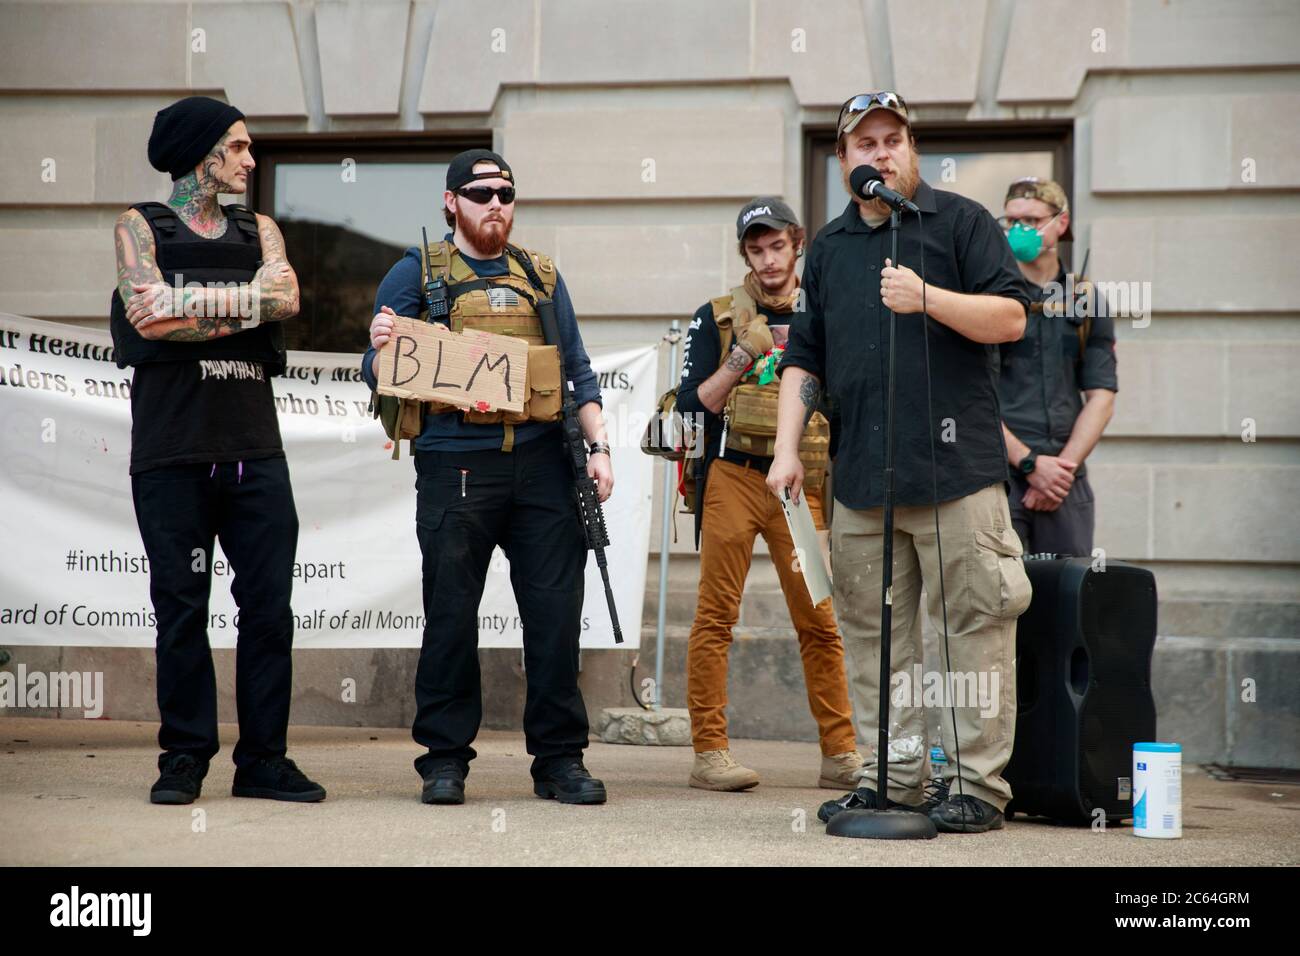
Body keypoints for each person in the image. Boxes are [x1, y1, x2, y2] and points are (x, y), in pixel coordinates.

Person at [768, 92, 1034, 834]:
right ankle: (894, 777)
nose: (879, 155)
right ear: (842, 160)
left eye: (892, 141)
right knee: (875, 640)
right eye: (864, 145)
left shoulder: (961, 223)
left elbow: (1012, 317)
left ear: (911, 149)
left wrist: (928, 298)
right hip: (861, 481)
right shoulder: (826, 248)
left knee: (971, 632)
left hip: (958, 475)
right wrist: (787, 449)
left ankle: (978, 788)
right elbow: (804, 357)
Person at [362, 149, 613, 806]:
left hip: (545, 468)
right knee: (450, 617)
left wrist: (599, 448)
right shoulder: (416, 271)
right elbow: (377, 368)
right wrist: (382, 340)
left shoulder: (542, 274)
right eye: (479, 194)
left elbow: (577, 370)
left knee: (555, 619)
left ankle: (560, 760)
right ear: (452, 202)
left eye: (505, 193)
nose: (495, 205)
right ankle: (444, 760)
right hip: (455, 464)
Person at [112, 95, 324, 805]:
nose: (248, 159)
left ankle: (264, 759)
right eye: (236, 147)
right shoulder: (142, 225)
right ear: (201, 154)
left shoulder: (257, 227)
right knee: (180, 606)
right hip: (172, 450)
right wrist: (243, 301)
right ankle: (184, 757)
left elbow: (286, 300)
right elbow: (146, 313)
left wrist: (186, 302)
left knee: (268, 608)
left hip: (254, 450)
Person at [675, 197, 861, 791]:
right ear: (745, 254)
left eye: (777, 245)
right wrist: (741, 354)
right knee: (714, 618)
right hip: (731, 474)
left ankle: (840, 754)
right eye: (756, 249)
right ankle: (710, 752)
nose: (769, 259)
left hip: (798, 484)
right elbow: (691, 405)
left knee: (819, 619)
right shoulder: (717, 315)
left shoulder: (824, 308)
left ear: (797, 242)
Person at [997, 177, 1117, 556]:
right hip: (1001, 481)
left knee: (1069, 604)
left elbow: (1101, 396)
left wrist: (1059, 472)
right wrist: (1030, 464)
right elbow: (969, 394)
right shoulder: (989, 301)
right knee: (1000, 607)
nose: (1020, 230)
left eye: (1032, 221)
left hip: (1066, 485)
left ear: (1060, 223)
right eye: (1011, 221)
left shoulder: (1085, 300)